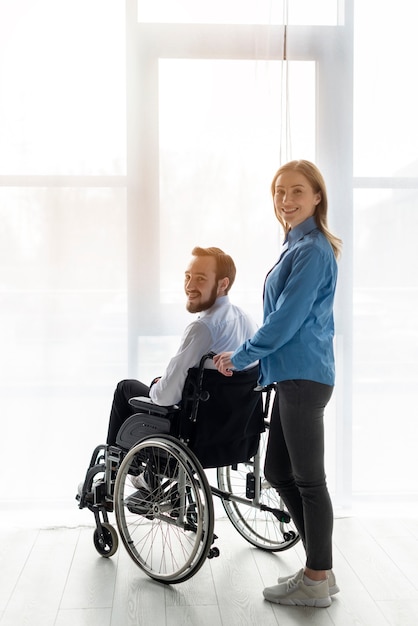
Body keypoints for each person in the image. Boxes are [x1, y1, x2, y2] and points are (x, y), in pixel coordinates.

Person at [214, 160, 342, 608]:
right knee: (277, 473)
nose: (286, 201)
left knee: (309, 481)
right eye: (280, 193)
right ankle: (319, 572)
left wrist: (243, 355)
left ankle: (316, 577)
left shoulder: (312, 250)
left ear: (316, 197)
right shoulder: (297, 246)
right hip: (293, 375)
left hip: (304, 377)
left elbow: (286, 320)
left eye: (297, 193)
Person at [106, 245, 257, 447]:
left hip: (198, 429)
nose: (189, 286)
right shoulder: (247, 319)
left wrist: (156, 387)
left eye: (200, 279)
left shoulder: (203, 328)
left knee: (126, 388)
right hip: (236, 430)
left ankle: (114, 469)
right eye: (187, 277)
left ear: (223, 284)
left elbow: (166, 397)